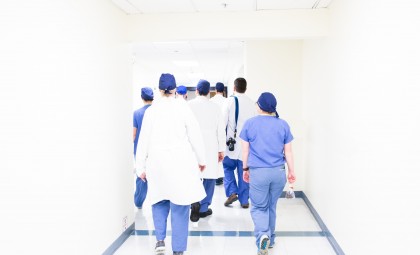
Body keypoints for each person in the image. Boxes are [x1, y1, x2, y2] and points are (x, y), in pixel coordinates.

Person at [135, 73, 207, 255]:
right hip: (180, 163)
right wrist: (202, 160)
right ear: (175, 89)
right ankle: (178, 249)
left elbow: (143, 141)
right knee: (180, 206)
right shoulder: (183, 108)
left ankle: (160, 240)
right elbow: (195, 135)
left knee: (159, 201)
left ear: (159, 91)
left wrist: (140, 167)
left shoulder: (151, 111)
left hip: (157, 163)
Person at [240, 92, 296, 255]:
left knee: (258, 207)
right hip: (278, 172)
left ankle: (263, 236)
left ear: (260, 106)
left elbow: (245, 151)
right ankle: (270, 239)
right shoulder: (283, 124)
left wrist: (245, 169)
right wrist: (292, 172)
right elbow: (289, 152)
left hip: (259, 172)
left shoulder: (250, 124)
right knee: (271, 206)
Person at [188, 80, 225, 219]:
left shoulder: (189, 106)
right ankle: (203, 207)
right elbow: (221, 131)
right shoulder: (215, 108)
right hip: (211, 146)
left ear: (196, 91)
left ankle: (193, 203)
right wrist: (221, 150)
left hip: (192, 146)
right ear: (209, 92)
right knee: (209, 177)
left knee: (193, 175)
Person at [222, 77, 257, 208]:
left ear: (234, 88)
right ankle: (244, 201)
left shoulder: (230, 101)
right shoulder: (252, 103)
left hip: (231, 144)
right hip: (247, 145)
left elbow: (223, 123)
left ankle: (232, 192)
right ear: (245, 88)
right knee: (244, 171)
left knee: (227, 167)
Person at [133, 87, 154, 209]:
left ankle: (139, 201)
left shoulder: (136, 113)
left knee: (141, 175)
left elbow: (133, 134)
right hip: (154, 149)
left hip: (140, 149)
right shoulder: (157, 111)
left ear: (142, 98)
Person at [210, 82, 227, 186]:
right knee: (223, 154)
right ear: (223, 91)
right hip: (223, 130)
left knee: (213, 154)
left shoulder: (211, 101)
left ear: (215, 90)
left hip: (212, 131)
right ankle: (221, 177)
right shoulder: (227, 101)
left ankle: (215, 176)